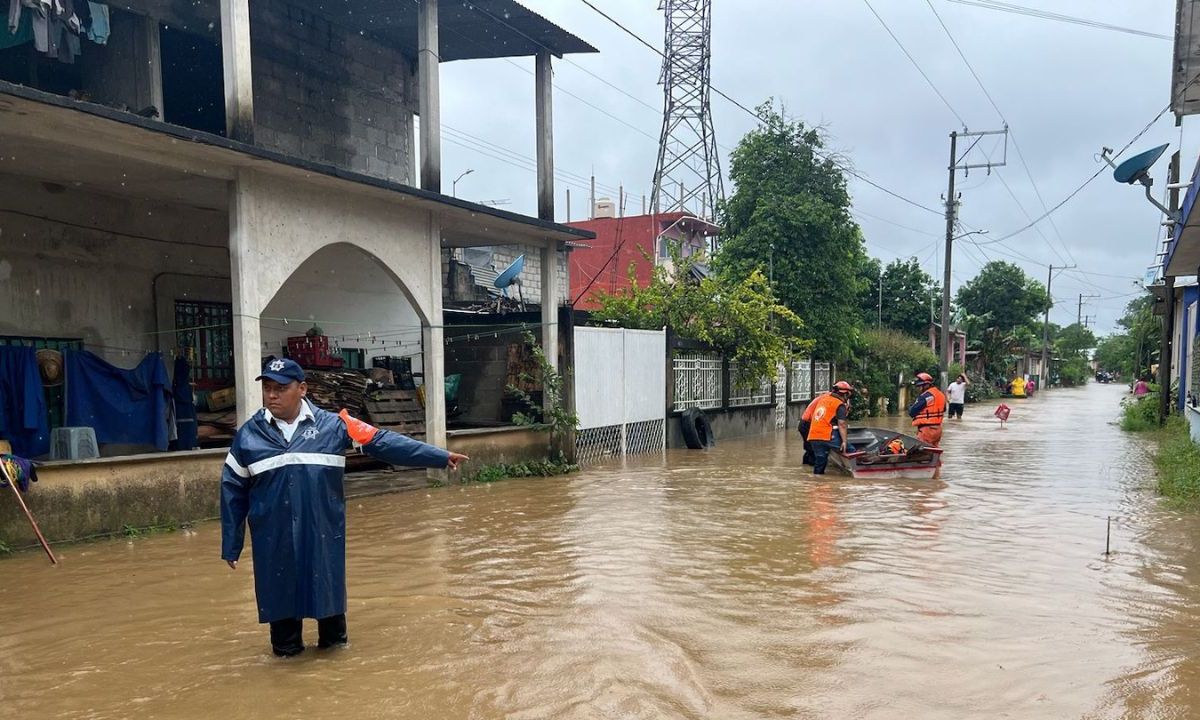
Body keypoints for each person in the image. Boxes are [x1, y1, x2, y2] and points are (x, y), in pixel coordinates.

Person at [220, 358, 469, 658]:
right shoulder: (249, 436)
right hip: (275, 546)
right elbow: (233, 491)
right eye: (268, 388)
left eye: (281, 388)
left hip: (322, 539)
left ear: (302, 389)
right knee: (284, 645)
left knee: (334, 642)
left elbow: (384, 442)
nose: (272, 395)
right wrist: (231, 545)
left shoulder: (336, 426)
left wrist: (439, 456)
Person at [807, 381, 854, 475]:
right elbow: (842, 424)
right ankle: (857, 467)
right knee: (851, 449)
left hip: (813, 435)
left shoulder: (823, 399)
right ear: (845, 394)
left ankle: (817, 479)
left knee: (820, 461)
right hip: (827, 436)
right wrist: (844, 441)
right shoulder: (839, 405)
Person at [908, 372, 946, 447]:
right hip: (938, 429)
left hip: (926, 430)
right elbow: (943, 409)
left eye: (920, 386)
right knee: (933, 453)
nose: (918, 389)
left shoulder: (925, 396)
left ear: (927, 385)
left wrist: (910, 407)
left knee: (922, 453)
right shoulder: (941, 395)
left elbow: (912, 412)